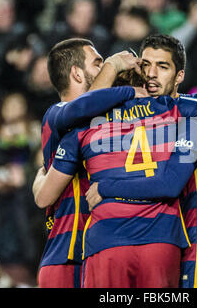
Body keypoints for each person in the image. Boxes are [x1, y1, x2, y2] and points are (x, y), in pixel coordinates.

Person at [33, 34, 197, 288]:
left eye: (162, 66)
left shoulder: (87, 127)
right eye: (100, 64)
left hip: (101, 243)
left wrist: (44, 177)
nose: (152, 74)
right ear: (76, 74)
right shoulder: (174, 114)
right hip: (148, 244)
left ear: (179, 75)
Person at [33, 37, 146, 288]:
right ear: (76, 73)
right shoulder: (57, 113)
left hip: (102, 253)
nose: (105, 67)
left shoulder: (106, 122)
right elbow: (81, 108)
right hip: (67, 258)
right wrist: (116, 68)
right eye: (98, 64)